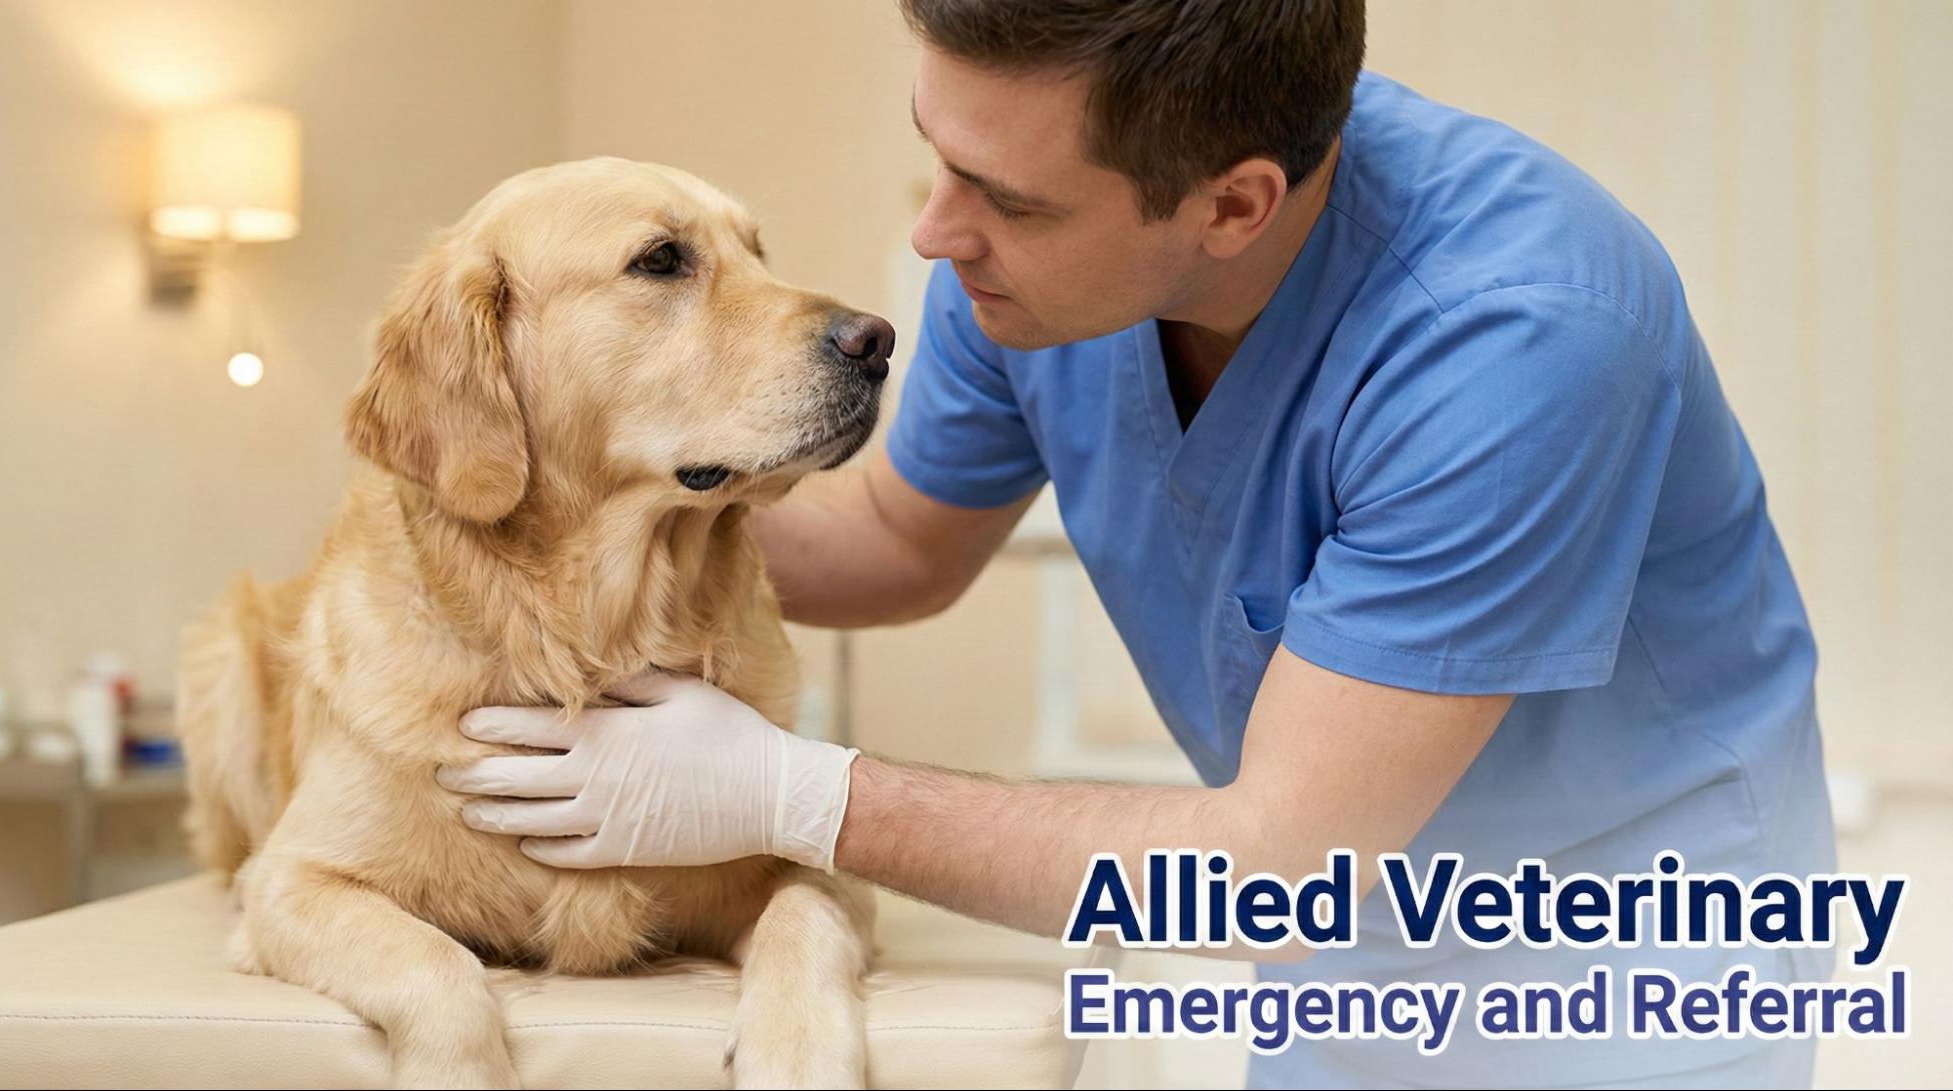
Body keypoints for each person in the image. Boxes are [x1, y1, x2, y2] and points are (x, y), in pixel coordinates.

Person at [440, 2, 1836, 1086]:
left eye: (1009, 200)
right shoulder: (1035, 284)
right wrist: (550, 491)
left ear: (1232, 205)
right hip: (1343, 970)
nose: (936, 235)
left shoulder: (1517, 334)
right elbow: (892, 545)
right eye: (940, 158)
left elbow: (1284, 865)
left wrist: (794, 796)